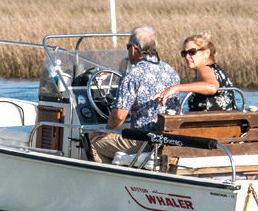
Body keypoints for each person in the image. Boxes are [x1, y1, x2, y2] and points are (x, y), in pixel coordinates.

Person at [88, 25, 180, 164]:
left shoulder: (133, 74)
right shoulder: (170, 70)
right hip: (166, 138)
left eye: (127, 47)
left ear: (133, 49)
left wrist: (106, 130)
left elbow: (119, 116)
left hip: (143, 140)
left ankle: (105, 181)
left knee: (92, 141)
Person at [158, 32, 235, 112]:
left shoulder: (204, 69)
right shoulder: (216, 69)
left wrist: (175, 88)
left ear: (206, 53)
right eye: (184, 53)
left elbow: (212, 87)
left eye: (192, 52)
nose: (187, 57)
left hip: (209, 123)